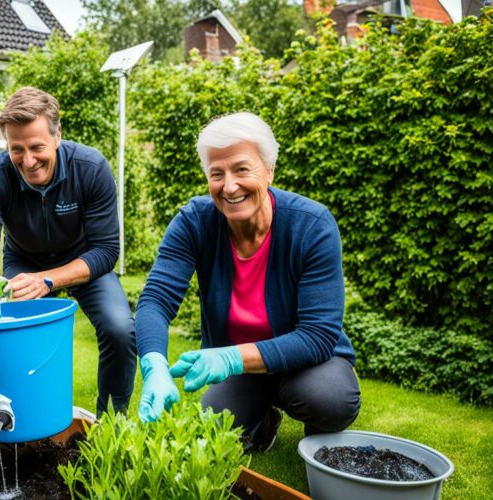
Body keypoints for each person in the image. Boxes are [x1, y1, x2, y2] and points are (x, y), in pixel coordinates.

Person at [136, 112, 360, 451]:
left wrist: (228, 358)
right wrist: (153, 364)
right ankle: (265, 419)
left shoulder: (312, 225)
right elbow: (155, 301)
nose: (229, 186)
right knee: (210, 433)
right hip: (243, 370)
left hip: (307, 363)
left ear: (269, 170)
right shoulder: (194, 222)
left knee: (329, 398)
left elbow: (318, 336)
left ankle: (317, 432)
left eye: (242, 169)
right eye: (217, 173)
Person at [0, 87, 137, 416]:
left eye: (37, 147)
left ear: (58, 135)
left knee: (119, 328)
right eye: (17, 149)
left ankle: (114, 419)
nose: (28, 161)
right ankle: (27, 415)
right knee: (19, 333)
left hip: (85, 261)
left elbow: (107, 250)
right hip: (24, 262)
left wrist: (49, 280)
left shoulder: (90, 167)